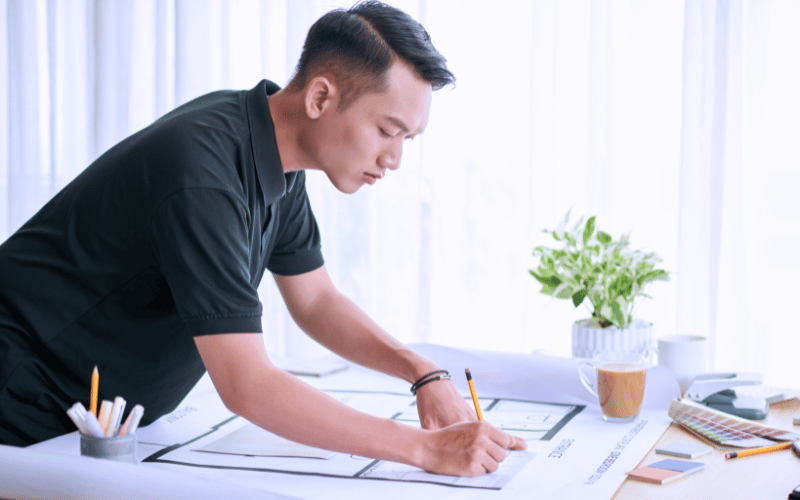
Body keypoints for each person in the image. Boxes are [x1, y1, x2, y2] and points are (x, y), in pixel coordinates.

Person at [0, 1, 525, 476]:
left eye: (407, 139)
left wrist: (423, 372)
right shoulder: (203, 174)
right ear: (321, 95)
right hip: (20, 406)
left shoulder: (277, 158)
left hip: (90, 429)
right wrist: (426, 449)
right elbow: (248, 385)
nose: (394, 159)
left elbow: (316, 300)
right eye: (388, 131)